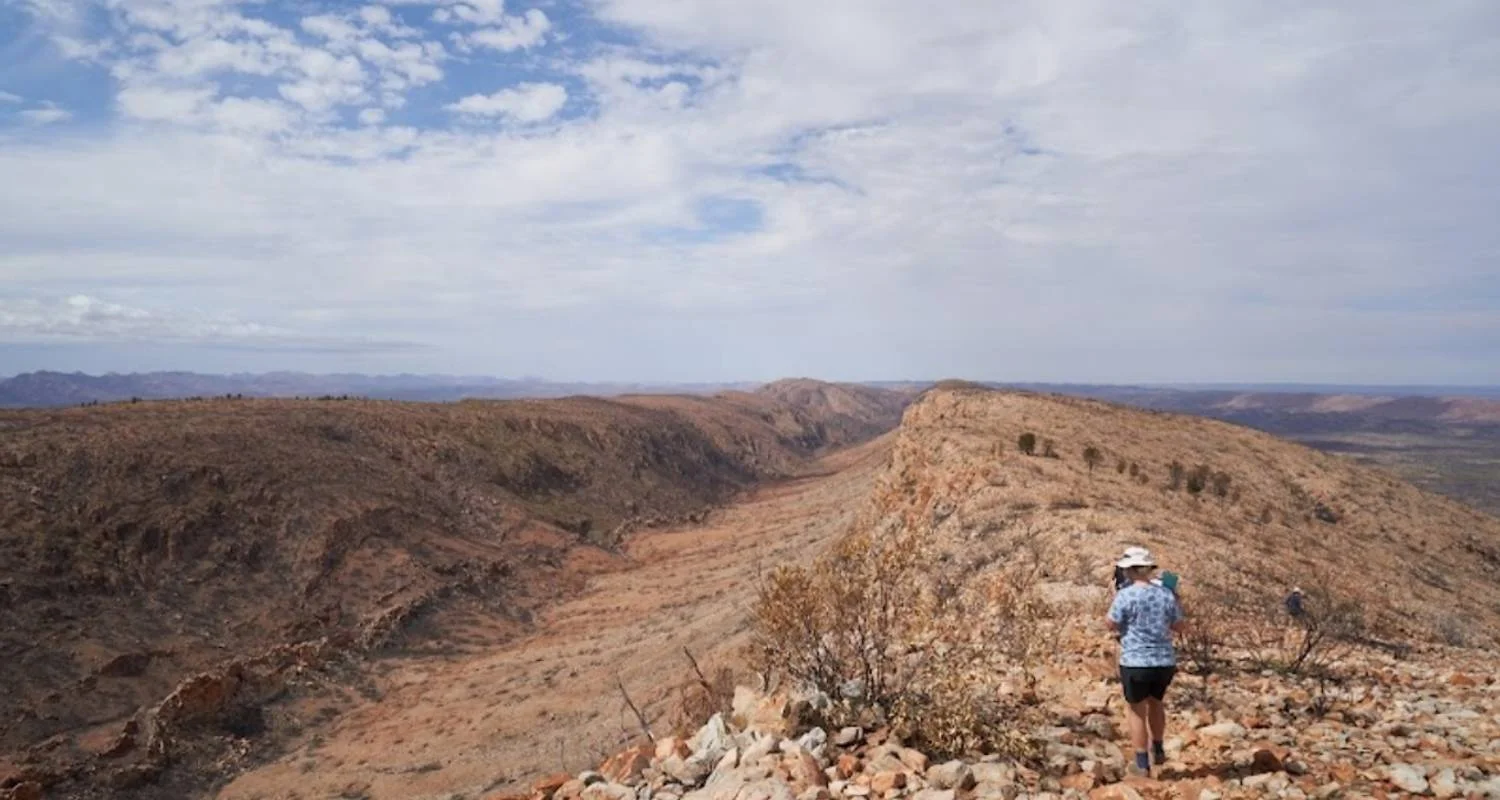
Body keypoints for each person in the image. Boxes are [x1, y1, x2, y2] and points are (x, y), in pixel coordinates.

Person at [1106, 547, 1185, 776]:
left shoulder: (1126, 595)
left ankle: (1142, 762)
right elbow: (1179, 626)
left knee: (1136, 710)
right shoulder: (1166, 594)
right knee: (1156, 702)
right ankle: (1158, 747)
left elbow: (1110, 623)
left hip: (1136, 661)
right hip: (1164, 661)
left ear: (1129, 571)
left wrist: (1115, 598)